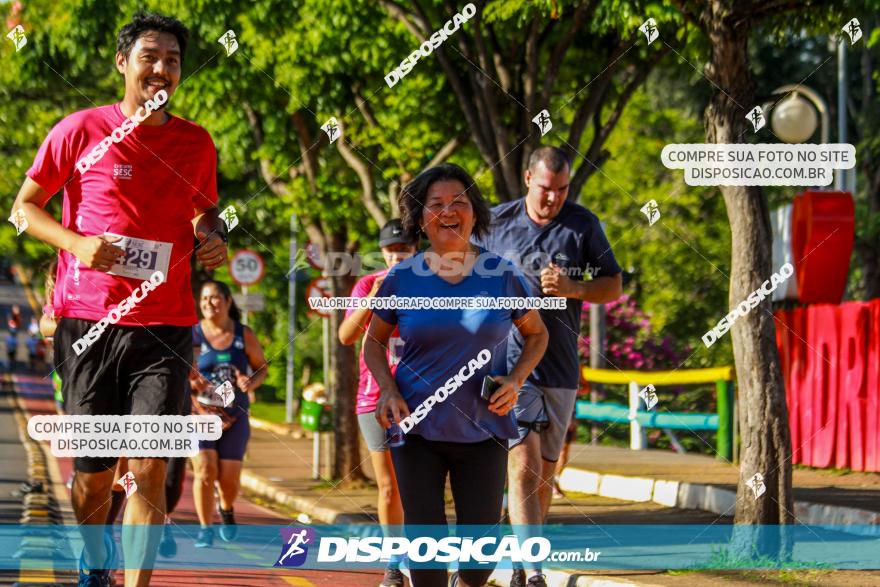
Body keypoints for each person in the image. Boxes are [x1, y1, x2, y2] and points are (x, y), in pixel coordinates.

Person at [10, 12, 228, 587]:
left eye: (173, 60)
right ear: (123, 63)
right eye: (150, 57)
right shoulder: (78, 130)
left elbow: (206, 211)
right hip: (88, 320)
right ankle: (95, 560)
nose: (162, 69)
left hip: (166, 322)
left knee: (150, 464)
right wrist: (77, 243)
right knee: (94, 473)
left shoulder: (196, 142)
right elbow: (23, 208)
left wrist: (212, 236)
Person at [365, 164, 549, 587]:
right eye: (437, 204)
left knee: (477, 566)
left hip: (484, 430)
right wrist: (387, 391)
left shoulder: (502, 275)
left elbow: (537, 335)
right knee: (426, 563)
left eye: (459, 202)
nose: (449, 211)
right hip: (416, 431)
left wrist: (516, 379)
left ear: (474, 213)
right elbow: (372, 343)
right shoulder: (402, 278)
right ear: (421, 218)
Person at [473, 146, 623, 587]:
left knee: (545, 474)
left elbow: (612, 285)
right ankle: (535, 572)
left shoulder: (582, 224)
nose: (553, 198)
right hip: (508, 366)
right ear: (526, 179)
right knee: (523, 462)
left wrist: (575, 288)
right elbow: (462, 274)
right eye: (545, 188)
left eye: (561, 189)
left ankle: (523, 562)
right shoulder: (495, 224)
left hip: (559, 365)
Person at [338, 218, 417, 587]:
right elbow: (346, 336)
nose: (397, 256)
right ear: (381, 252)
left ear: (416, 250)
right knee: (389, 486)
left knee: (420, 483)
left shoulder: (429, 286)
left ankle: (426, 560)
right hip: (374, 398)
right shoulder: (367, 284)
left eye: (404, 249)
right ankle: (393, 564)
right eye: (391, 250)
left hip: (422, 398)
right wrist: (372, 300)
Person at [189, 280, 267, 548]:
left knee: (228, 478)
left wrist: (250, 382)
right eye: (204, 299)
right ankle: (204, 528)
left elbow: (261, 368)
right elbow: (180, 371)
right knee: (205, 470)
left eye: (214, 298)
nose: (208, 304)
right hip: (200, 415)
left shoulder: (242, 334)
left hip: (235, 416)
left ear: (228, 301)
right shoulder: (194, 334)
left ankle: (226, 507)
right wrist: (191, 381)